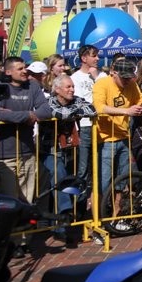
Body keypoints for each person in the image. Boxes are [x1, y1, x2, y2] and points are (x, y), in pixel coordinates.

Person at [40, 75, 97, 234]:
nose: (72, 90)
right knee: (59, 177)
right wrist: (74, 112)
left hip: (70, 150)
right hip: (51, 150)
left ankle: (68, 218)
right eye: (68, 87)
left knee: (71, 180)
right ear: (57, 89)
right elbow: (54, 112)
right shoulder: (48, 101)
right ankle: (64, 216)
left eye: (72, 86)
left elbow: (91, 109)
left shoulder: (76, 100)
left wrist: (71, 111)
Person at [92, 59, 142, 212]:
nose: (126, 81)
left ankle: (115, 215)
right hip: (105, 138)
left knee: (122, 181)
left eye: (129, 77)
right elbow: (98, 107)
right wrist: (127, 111)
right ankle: (99, 217)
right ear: (114, 73)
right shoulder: (102, 83)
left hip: (124, 137)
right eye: (123, 78)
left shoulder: (132, 84)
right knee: (103, 181)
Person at [0, 57, 52, 203]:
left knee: (26, 202)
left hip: (28, 153)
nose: (25, 71)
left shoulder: (32, 86)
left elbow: (46, 110)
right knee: (10, 201)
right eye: (20, 69)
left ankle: (25, 227)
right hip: (6, 154)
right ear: (8, 71)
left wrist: (11, 115)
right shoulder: (0, 86)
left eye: (24, 67)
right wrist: (27, 115)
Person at [71, 45, 104, 190]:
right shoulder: (75, 78)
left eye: (97, 55)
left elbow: (107, 93)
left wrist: (96, 77)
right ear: (84, 58)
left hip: (102, 125)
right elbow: (80, 101)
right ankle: (80, 203)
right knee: (83, 167)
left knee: (101, 165)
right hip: (85, 126)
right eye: (94, 55)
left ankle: (99, 201)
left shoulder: (102, 76)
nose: (97, 58)